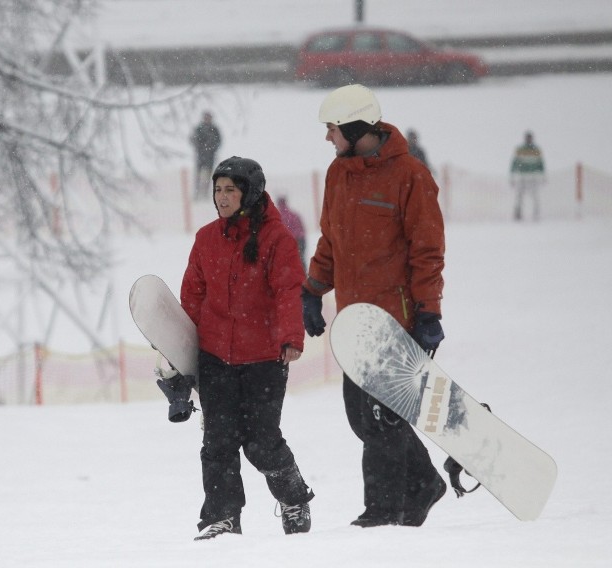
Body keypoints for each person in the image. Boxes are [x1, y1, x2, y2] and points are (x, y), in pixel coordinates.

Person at [301, 84, 447, 528]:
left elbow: (428, 251)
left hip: (395, 320)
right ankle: (423, 482)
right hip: (353, 322)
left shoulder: (410, 176)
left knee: (382, 418)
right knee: (362, 418)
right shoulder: (337, 173)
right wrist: (313, 289)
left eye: (331, 129)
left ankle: (382, 510)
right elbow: (332, 240)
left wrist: (429, 312)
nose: (328, 138)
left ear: (353, 127)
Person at [181, 156, 315, 540]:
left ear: (249, 192)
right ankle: (222, 517)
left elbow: (289, 289)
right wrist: (178, 356)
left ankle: (293, 498)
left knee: (260, 440)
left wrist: (291, 335)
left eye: (231, 190)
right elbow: (192, 295)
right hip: (215, 357)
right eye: (218, 190)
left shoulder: (276, 238)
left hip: (264, 358)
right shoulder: (206, 238)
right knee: (218, 442)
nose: (222, 198)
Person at [509, 131, 545, 221]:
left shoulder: (536, 150)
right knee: (519, 196)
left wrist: (543, 176)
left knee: (535, 196)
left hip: (533, 177)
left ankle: (536, 213)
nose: (529, 139)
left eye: (530, 138)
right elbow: (514, 163)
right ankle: (518, 213)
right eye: (527, 138)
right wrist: (512, 176)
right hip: (522, 176)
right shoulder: (520, 149)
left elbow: (541, 164)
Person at [189, 111, 222, 200]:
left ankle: (205, 193)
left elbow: (218, 141)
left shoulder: (214, 129)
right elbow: (193, 139)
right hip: (200, 156)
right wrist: (200, 147)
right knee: (198, 175)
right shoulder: (199, 128)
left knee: (208, 175)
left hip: (210, 156)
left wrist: (212, 149)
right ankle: (197, 193)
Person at [275, 195, 307, 269]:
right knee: (301, 260)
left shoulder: (277, 216)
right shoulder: (294, 214)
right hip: (300, 240)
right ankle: (304, 276)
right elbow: (302, 228)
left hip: (287, 241)